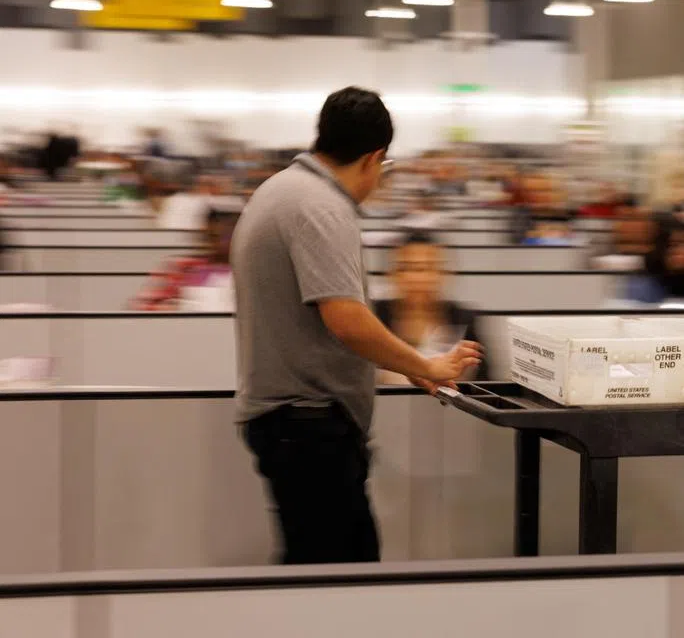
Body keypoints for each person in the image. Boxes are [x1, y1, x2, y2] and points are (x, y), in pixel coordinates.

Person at [232, 86, 482, 565]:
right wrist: (424, 365)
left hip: (290, 422)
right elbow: (345, 318)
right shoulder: (322, 206)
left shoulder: (280, 190)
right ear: (375, 158)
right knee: (342, 577)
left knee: (317, 567)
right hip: (308, 424)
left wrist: (403, 364)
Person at [373, 231, 488, 381]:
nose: (417, 278)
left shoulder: (464, 320)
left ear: (443, 273)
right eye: (406, 268)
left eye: (427, 268)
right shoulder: (373, 317)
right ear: (391, 274)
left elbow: (486, 382)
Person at [130, 208, 239, 311]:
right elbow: (143, 307)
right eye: (214, 236)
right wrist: (180, 307)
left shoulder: (251, 273)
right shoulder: (182, 267)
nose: (221, 242)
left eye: (228, 236)